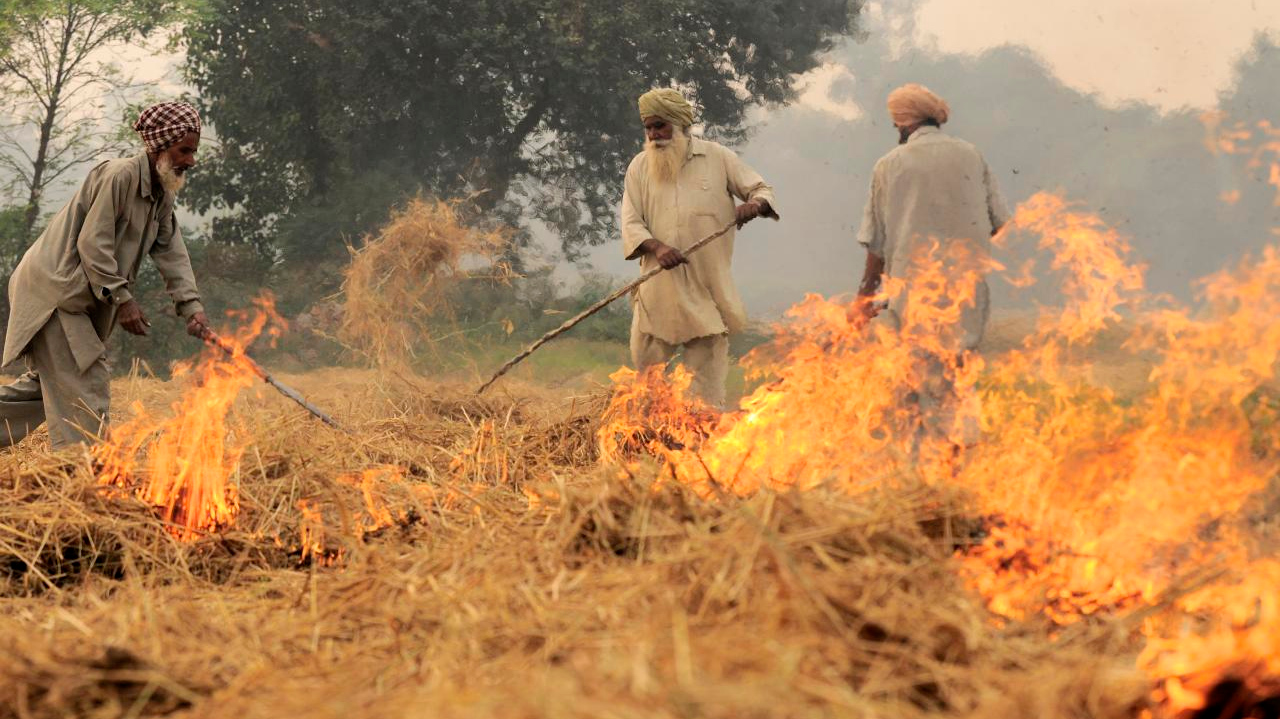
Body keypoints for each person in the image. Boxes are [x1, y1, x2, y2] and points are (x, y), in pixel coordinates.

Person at [0, 101, 211, 449]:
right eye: (183, 150)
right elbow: (92, 243)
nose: (191, 160)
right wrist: (123, 298)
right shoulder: (119, 176)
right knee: (86, 377)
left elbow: (172, 251)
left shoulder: (162, 192)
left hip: (74, 297)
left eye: (193, 151)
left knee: (48, 389)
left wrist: (192, 307)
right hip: (56, 292)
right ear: (158, 146)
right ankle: (81, 472)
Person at [852, 83, 1010, 451]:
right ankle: (953, 464)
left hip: (913, 290)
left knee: (914, 380)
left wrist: (863, 299)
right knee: (957, 375)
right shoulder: (971, 155)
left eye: (896, 126)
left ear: (905, 124)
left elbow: (876, 243)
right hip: (968, 289)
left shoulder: (890, 164)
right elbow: (998, 222)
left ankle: (919, 476)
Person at [621, 88, 779, 408]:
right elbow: (631, 222)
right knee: (647, 387)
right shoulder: (639, 167)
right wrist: (658, 247)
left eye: (661, 126)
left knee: (702, 395)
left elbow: (761, 189)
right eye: (649, 128)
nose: (654, 135)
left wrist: (756, 204)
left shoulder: (718, 158)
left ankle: (702, 447)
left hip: (707, 289)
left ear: (681, 124)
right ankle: (643, 444)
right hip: (658, 290)